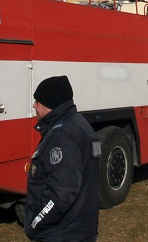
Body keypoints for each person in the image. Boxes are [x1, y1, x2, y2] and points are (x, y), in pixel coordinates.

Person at [24, 75, 100, 241]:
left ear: (50, 103)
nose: (34, 105)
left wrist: (34, 224)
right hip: (77, 230)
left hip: (62, 234)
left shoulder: (62, 134)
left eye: (38, 100)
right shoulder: (77, 123)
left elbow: (62, 193)